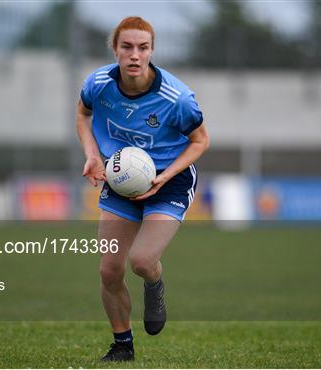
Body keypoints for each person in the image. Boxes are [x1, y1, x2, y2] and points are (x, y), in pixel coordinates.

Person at [75, 16, 210, 362]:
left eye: (143, 47)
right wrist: (92, 155)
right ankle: (122, 345)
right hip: (120, 178)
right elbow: (82, 114)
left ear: (152, 51)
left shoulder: (175, 98)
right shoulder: (99, 83)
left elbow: (200, 141)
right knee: (109, 269)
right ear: (115, 49)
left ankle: (154, 283)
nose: (135, 55)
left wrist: (165, 177)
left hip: (170, 180)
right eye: (127, 47)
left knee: (142, 260)